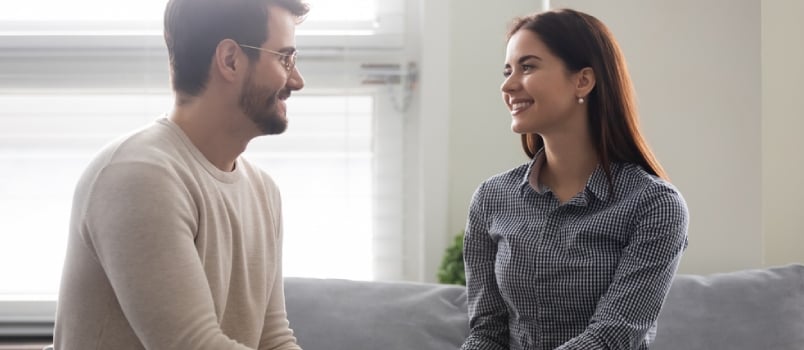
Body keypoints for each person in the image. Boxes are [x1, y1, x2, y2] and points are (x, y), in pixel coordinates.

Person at [54, 0, 309, 349]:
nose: (297, 80)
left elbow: (273, 338)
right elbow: (191, 344)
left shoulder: (263, 190)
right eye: (284, 58)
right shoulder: (139, 175)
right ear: (230, 60)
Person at [460, 8, 689, 350]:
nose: (508, 85)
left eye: (528, 67)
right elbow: (487, 334)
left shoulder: (654, 205)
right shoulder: (491, 199)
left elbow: (611, 337)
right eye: (508, 71)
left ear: (583, 80)